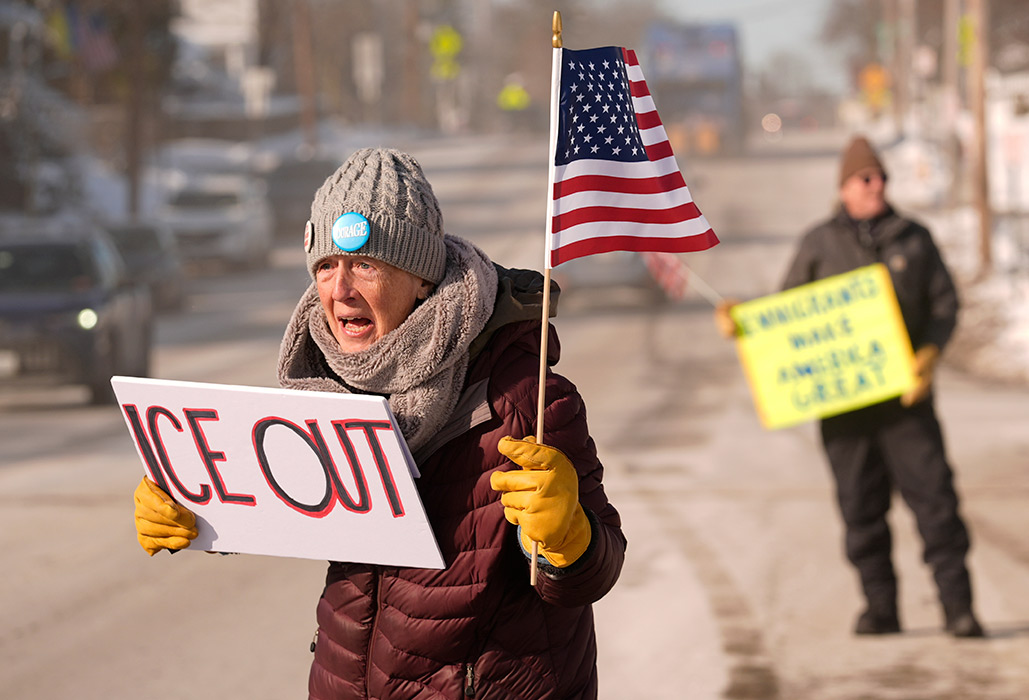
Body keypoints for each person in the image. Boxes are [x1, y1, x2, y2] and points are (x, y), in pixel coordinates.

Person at [133, 147, 627, 698]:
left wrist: (569, 539)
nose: (340, 290)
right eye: (325, 266)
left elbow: (597, 570)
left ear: (421, 278)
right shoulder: (327, 387)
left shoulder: (520, 397)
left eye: (364, 263)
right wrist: (196, 503)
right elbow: (292, 501)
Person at [715, 135, 983, 638]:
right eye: (866, 177)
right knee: (861, 508)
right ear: (845, 186)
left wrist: (929, 354)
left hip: (907, 403)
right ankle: (881, 609)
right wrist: (744, 324)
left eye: (881, 176)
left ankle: (958, 609)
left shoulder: (914, 238)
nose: (877, 184)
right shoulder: (819, 243)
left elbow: (945, 306)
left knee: (936, 503)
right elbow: (788, 317)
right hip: (843, 408)